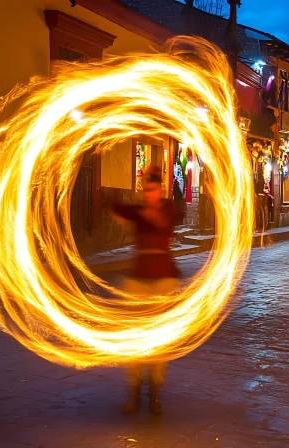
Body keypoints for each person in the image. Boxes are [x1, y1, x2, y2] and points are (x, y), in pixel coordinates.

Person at [111, 166, 183, 415]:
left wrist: (149, 212)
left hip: (164, 279)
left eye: (151, 189)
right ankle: (133, 391)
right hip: (138, 280)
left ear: (160, 190)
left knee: (160, 341)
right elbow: (115, 207)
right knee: (135, 339)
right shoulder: (138, 210)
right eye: (144, 189)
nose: (147, 194)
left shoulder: (168, 209)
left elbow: (167, 220)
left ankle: (154, 393)